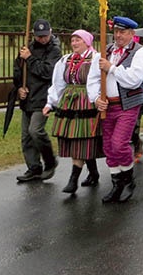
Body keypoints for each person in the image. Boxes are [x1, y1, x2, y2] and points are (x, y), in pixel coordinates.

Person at [87, 16, 143, 203]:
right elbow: (93, 79)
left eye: (122, 32)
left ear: (132, 34)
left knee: (118, 143)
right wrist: (96, 98)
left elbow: (134, 80)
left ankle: (128, 179)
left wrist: (112, 68)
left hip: (128, 104)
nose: (118, 35)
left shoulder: (140, 53)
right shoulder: (104, 52)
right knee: (108, 146)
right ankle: (117, 184)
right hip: (108, 105)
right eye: (116, 31)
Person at [43, 30, 103, 194]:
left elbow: (98, 82)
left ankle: (73, 179)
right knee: (77, 139)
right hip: (69, 103)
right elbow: (58, 83)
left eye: (78, 40)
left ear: (87, 42)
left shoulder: (96, 58)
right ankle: (93, 173)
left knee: (84, 139)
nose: (74, 43)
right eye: (73, 40)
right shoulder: (66, 60)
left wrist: (97, 99)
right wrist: (50, 103)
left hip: (87, 102)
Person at [13, 19, 62, 182]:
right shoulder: (28, 49)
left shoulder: (54, 50)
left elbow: (48, 72)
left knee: (36, 130)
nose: (42, 39)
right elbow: (18, 70)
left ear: (50, 32)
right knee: (26, 136)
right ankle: (34, 168)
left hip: (44, 98)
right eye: (39, 36)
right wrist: (20, 87)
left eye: (45, 35)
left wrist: (30, 59)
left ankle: (50, 160)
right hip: (28, 98)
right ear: (34, 35)